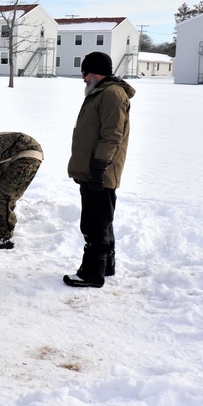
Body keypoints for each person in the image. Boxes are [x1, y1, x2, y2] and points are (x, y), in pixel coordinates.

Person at [63, 51, 135, 288]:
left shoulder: (112, 94)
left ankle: (92, 273)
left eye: (85, 73)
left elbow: (112, 135)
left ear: (94, 72)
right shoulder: (101, 92)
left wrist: (98, 167)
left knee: (95, 223)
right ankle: (106, 266)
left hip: (101, 171)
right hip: (94, 169)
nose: (83, 78)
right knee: (102, 219)